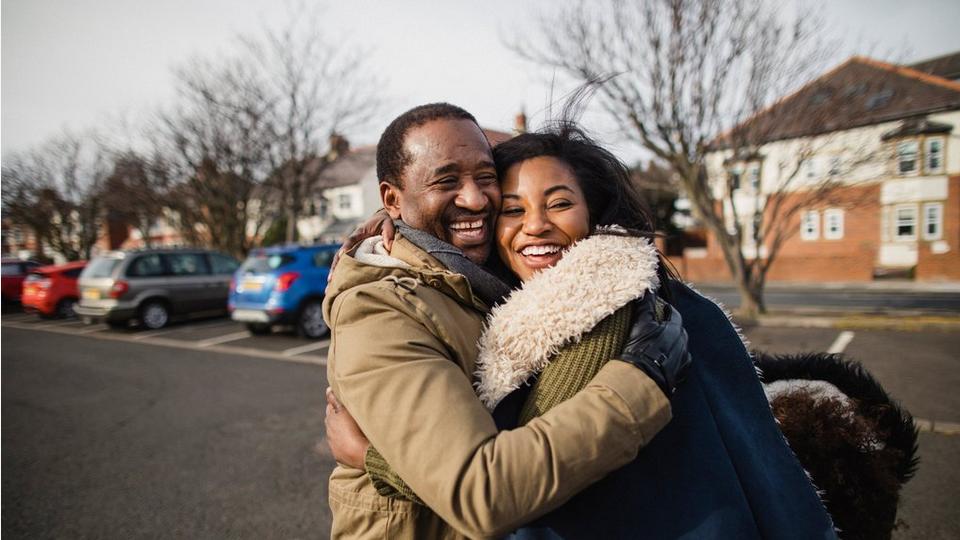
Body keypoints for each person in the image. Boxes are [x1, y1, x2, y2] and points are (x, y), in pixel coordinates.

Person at [328, 123, 842, 539]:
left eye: (559, 203)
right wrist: (399, 217)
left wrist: (374, 459)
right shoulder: (508, 296)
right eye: (513, 208)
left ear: (593, 212)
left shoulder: (600, 310)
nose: (534, 224)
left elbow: (504, 488)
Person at [322, 103, 692, 539]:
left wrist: (373, 458)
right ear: (391, 199)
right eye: (445, 181)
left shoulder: (494, 278)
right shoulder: (381, 309)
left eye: (486, 177)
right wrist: (643, 381)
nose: (476, 199)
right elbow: (484, 492)